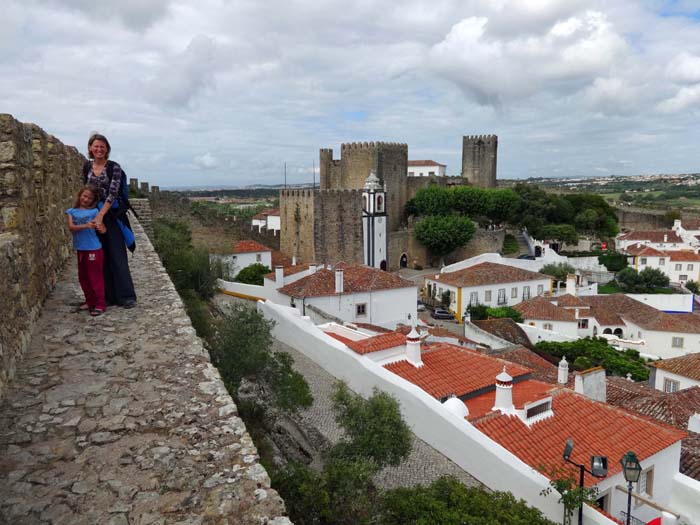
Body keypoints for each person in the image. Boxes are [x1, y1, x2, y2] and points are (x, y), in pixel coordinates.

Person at [84, 133, 137, 308]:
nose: (99, 149)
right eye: (96, 146)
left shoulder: (114, 167)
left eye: (102, 146)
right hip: (94, 214)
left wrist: (101, 217)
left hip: (112, 216)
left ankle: (126, 296)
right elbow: (86, 192)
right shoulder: (86, 168)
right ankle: (105, 296)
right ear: (90, 148)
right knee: (100, 256)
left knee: (117, 254)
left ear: (107, 149)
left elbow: (113, 193)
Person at [66, 186, 106, 316]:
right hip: (81, 249)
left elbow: (103, 229)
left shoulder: (95, 212)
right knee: (83, 278)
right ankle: (89, 301)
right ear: (79, 195)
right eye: (84, 196)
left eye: (89, 198)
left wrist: (100, 227)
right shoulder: (71, 212)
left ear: (92, 200)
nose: (85, 199)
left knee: (95, 278)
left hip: (93, 248)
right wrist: (86, 225)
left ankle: (100, 304)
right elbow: (71, 227)